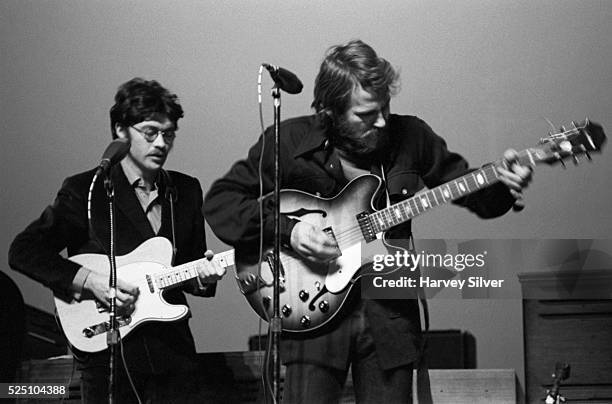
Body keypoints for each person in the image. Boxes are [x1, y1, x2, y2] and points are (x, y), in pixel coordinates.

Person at [203, 40, 532, 403]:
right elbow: (222, 203)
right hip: (311, 318)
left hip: (389, 318)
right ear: (330, 111)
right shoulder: (288, 142)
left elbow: (471, 193)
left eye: (385, 107)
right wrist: (290, 230)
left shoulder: (412, 136)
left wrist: (502, 184)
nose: (381, 120)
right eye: (365, 114)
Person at [9, 78, 226, 403]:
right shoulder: (87, 190)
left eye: (168, 134)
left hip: (175, 355)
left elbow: (192, 267)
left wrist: (204, 278)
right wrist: (92, 282)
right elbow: (24, 250)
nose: (161, 144)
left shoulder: (186, 190)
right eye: (150, 132)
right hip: (108, 355)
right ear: (122, 131)